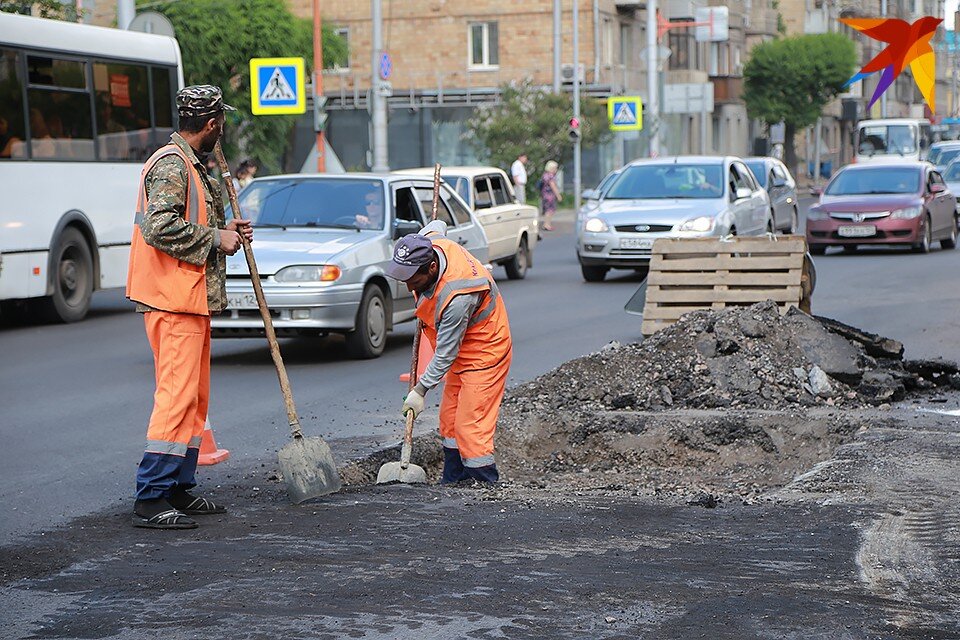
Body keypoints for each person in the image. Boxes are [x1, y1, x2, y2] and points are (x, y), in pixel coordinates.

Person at [126, 85, 253, 530]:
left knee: (194, 401)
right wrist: (216, 238)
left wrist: (224, 230)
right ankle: (151, 496)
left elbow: (189, 223)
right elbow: (158, 228)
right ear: (213, 123)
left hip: (189, 298)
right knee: (176, 399)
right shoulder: (171, 165)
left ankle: (178, 487)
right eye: (223, 121)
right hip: (171, 299)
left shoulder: (191, 165)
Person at [386, 221, 512, 484]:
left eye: (413, 279)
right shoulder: (432, 243)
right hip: (462, 351)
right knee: (450, 421)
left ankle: (488, 486)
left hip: (485, 354)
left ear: (432, 268)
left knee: (470, 427)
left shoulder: (457, 296)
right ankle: (453, 483)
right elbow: (437, 224)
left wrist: (419, 391)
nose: (408, 285)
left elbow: (445, 353)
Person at [539, 160, 562, 231]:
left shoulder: (545, 175)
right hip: (550, 195)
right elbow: (553, 186)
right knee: (550, 210)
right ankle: (547, 224)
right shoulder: (551, 176)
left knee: (547, 210)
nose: (556, 170)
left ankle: (546, 224)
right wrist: (558, 195)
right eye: (555, 168)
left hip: (544, 194)